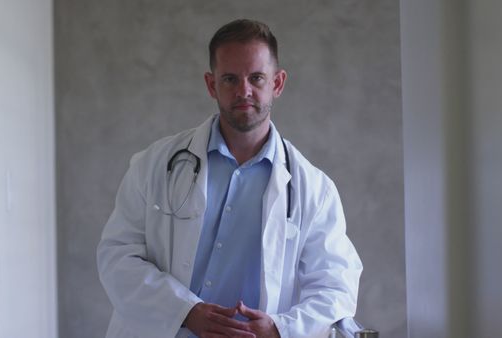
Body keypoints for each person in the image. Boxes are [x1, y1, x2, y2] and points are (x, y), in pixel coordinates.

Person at [97, 19, 362, 338]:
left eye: (256, 78)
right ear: (211, 85)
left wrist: (280, 329)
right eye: (230, 79)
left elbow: (336, 287)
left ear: (277, 83)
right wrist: (185, 311)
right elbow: (117, 255)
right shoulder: (154, 164)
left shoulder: (313, 189)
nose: (244, 91)